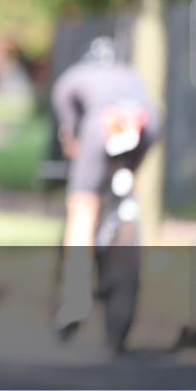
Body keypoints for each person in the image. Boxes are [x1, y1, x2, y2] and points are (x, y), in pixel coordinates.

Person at [50, 36, 159, 332]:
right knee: (127, 180)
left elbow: (70, 137)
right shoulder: (130, 74)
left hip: (100, 127)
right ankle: (124, 206)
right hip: (145, 123)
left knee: (82, 205)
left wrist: (75, 147)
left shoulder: (71, 78)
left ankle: (76, 297)